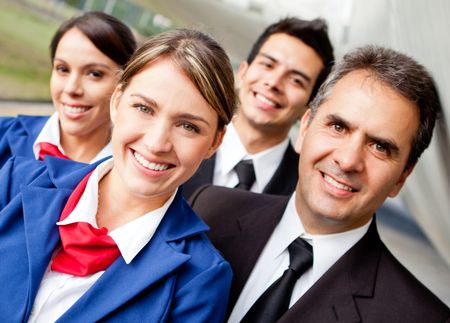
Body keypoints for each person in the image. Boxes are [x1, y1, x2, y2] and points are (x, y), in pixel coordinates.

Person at [190, 45, 450, 322]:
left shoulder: (421, 318)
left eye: (380, 147)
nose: (349, 160)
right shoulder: (209, 210)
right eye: (338, 127)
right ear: (304, 129)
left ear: (402, 176)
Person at [0, 28, 236, 322]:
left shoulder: (200, 279)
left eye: (188, 126)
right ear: (116, 102)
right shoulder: (15, 182)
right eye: (144, 108)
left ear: (215, 141)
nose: (156, 143)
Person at [183, 17, 334, 198]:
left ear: (310, 106)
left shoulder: (307, 190)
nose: (273, 83)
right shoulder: (181, 143)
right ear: (243, 71)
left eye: (296, 80)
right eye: (268, 65)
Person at [0, 11, 137, 166]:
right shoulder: (3, 134)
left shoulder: (130, 174)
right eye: (62, 69)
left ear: (125, 85)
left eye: (94, 74)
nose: (71, 89)